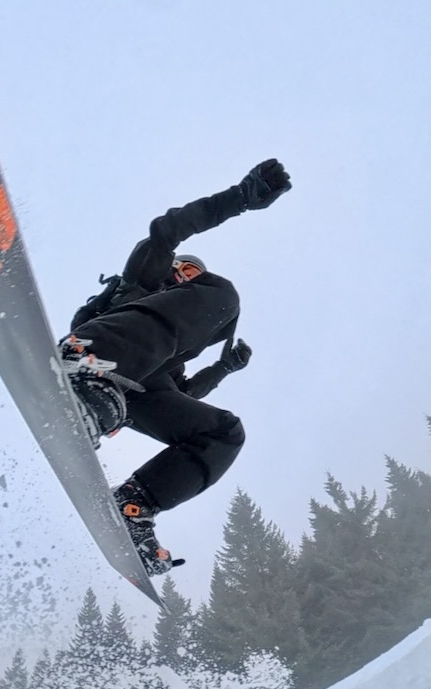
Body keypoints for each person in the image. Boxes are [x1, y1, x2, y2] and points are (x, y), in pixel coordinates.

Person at [60, 159, 292, 575]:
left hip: (130, 391)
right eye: (182, 270)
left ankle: (134, 506)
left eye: (193, 274)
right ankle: (85, 370)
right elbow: (168, 229)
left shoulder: (181, 341)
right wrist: (239, 198)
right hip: (100, 349)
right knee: (223, 296)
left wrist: (224, 370)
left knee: (222, 433)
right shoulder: (142, 280)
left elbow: (181, 399)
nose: (186, 278)